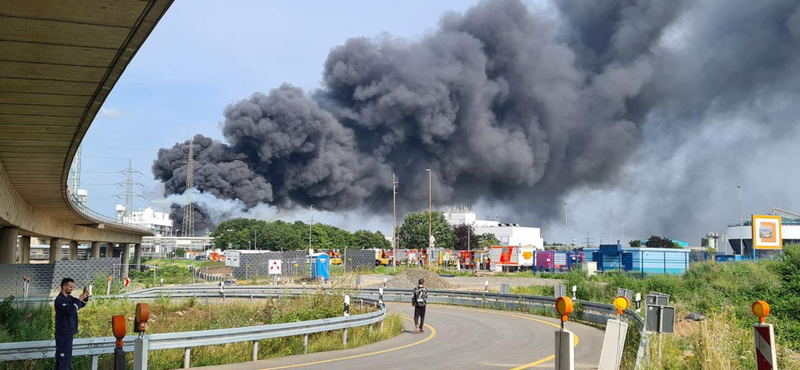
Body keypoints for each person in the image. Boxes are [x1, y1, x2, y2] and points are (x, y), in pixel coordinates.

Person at [54, 278, 88, 370]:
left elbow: (80, 304)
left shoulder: (69, 298)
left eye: (73, 287)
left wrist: (85, 296)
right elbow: (71, 310)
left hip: (69, 333)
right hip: (62, 334)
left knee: (67, 360)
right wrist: (79, 299)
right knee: (63, 360)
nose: (72, 289)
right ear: (64, 287)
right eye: (70, 287)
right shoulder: (59, 300)